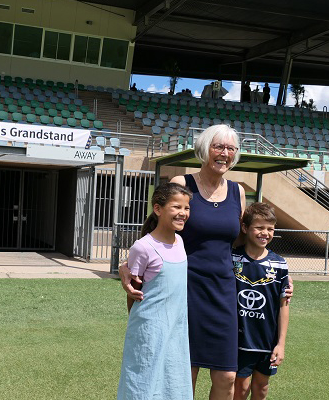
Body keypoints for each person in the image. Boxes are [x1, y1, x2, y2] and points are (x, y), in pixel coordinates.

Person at [120, 125, 294, 400]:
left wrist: (274, 269)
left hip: (224, 291)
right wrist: (127, 265)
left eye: (231, 149)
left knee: (227, 376)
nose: (225, 154)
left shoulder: (237, 191)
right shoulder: (182, 182)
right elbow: (156, 228)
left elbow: (240, 241)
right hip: (184, 289)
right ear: (204, 149)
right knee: (183, 372)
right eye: (218, 147)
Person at [118, 183, 194, 400]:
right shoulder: (142, 247)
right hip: (149, 329)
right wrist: (140, 327)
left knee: (173, 380)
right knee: (143, 382)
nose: (182, 213)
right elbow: (133, 292)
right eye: (176, 207)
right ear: (158, 209)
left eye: (186, 208)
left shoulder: (180, 241)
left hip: (176, 328)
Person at [231, 202, 289, 400]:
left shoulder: (280, 264)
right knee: (240, 387)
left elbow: (284, 306)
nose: (265, 233)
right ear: (245, 228)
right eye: (259, 227)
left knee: (262, 387)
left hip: (267, 341)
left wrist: (280, 344)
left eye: (270, 229)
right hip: (240, 339)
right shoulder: (233, 258)